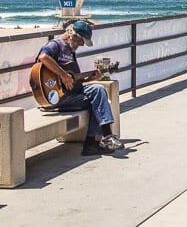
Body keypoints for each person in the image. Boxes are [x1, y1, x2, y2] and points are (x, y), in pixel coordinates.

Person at [36, 20, 123, 156]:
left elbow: (75, 81)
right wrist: (63, 75)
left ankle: (102, 139)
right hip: (57, 96)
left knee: (98, 90)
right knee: (96, 102)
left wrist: (93, 78)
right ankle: (95, 142)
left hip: (71, 94)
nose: (82, 44)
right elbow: (43, 57)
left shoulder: (71, 51)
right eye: (82, 40)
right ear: (74, 35)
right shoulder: (56, 45)